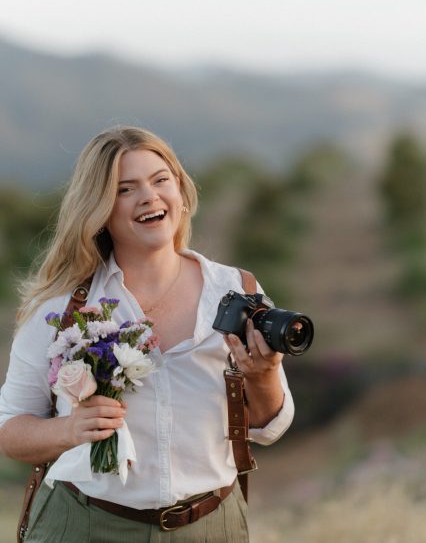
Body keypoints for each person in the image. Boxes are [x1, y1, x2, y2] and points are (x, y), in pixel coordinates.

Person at [0, 126, 294, 542]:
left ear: (180, 190)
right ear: (98, 207)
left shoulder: (237, 291)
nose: (149, 197)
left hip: (211, 527)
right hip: (85, 526)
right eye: (125, 189)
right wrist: (67, 431)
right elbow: (10, 431)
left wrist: (263, 374)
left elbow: (269, 426)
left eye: (161, 180)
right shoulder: (61, 309)